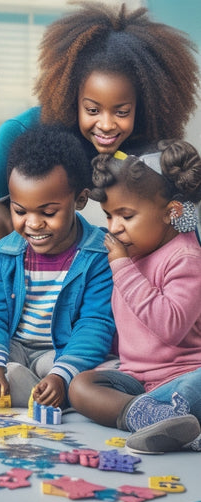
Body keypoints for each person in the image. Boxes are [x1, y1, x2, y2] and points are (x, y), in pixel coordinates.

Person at [0, 1, 199, 261]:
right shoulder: (20, 133)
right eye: (93, 110)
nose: (106, 125)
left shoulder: (154, 151)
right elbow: (7, 221)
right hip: (34, 264)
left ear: (144, 104)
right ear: (72, 96)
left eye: (122, 111)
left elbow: (183, 230)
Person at [0, 124, 115, 408]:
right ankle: (21, 384)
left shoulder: (98, 254)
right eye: (20, 211)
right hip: (13, 349)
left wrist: (61, 375)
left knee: (104, 370)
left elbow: (95, 324)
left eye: (49, 212)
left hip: (60, 352)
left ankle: (51, 386)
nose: (33, 223)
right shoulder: (5, 253)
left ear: (80, 199)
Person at [69, 140, 201, 454]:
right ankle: (144, 415)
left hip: (184, 375)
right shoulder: (133, 253)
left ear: (172, 211)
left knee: (195, 386)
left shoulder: (184, 257)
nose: (114, 228)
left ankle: (175, 417)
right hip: (136, 379)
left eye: (126, 217)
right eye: (108, 216)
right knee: (81, 386)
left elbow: (169, 326)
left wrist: (121, 267)